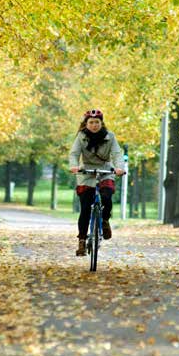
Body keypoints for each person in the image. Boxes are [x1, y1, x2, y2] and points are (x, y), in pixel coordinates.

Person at [69, 109, 125, 256]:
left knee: (107, 196)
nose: (94, 125)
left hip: (105, 170)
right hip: (86, 172)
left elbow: (117, 154)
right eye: (91, 122)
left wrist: (119, 168)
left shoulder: (110, 136)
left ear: (101, 123)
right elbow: (74, 153)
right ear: (86, 124)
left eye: (97, 122)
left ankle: (105, 220)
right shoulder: (81, 137)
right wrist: (74, 166)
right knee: (86, 208)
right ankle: (81, 241)